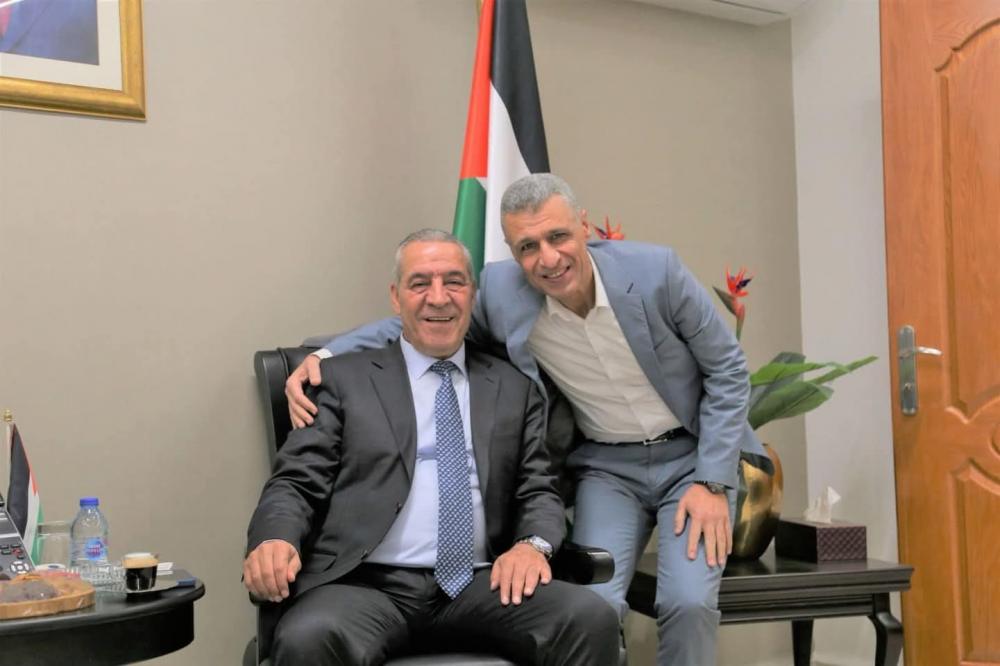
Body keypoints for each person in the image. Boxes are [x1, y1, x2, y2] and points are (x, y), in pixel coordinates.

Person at [286, 175, 768, 665]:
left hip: (692, 457)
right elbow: (416, 320)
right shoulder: (501, 291)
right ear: (513, 252)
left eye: (558, 236)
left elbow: (728, 369)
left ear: (584, 227)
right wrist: (324, 356)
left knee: (688, 603)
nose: (548, 259)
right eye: (528, 247)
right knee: (593, 603)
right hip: (607, 468)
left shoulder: (654, 272)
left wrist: (711, 481)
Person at [244, 229, 619, 666]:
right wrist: (275, 538)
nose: (438, 298)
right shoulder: (343, 380)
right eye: (420, 283)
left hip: (484, 583)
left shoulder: (515, 389)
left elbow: (537, 489)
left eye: (454, 282)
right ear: (396, 297)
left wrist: (531, 546)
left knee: (589, 618)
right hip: (365, 586)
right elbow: (296, 482)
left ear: (472, 295)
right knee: (309, 637)